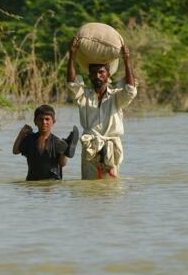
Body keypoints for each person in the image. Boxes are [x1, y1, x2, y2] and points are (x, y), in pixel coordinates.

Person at [67, 37, 137, 179]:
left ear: (108, 74)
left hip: (110, 149)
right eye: (93, 73)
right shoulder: (83, 96)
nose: (96, 76)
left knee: (110, 191)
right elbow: (72, 83)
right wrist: (72, 55)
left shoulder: (116, 97)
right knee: (89, 188)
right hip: (90, 149)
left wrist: (127, 59)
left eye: (101, 72)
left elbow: (130, 89)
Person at [13, 104, 80, 181]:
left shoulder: (57, 142)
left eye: (47, 119)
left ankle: (66, 149)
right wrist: (21, 134)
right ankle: (66, 147)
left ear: (53, 122)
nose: (44, 122)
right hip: (32, 181)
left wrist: (65, 153)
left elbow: (62, 163)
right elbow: (15, 151)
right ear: (35, 121)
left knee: (63, 147)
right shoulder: (29, 139)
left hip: (52, 182)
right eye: (41, 119)